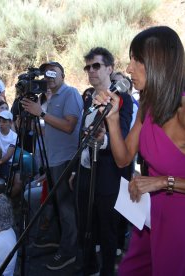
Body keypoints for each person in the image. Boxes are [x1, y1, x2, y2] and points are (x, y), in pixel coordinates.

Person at [93, 26, 185, 276]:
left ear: (158, 63)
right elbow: (122, 159)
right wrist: (112, 118)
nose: (129, 68)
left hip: (184, 220)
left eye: (137, 60)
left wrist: (164, 182)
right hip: (150, 214)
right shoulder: (147, 104)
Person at [21, 61, 83, 270]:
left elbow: (69, 126)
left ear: (62, 75)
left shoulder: (70, 93)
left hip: (66, 159)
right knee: (58, 204)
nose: (49, 76)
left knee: (66, 209)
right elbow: (51, 127)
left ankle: (69, 252)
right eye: (46, 73)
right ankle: (57, 239)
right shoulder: (48, 98)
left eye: (53, 72)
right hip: (52, 158)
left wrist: (41, 114)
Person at [77, 47, 133, 275]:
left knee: (108, 229)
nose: (91, 71)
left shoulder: (123, 99)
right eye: (88, 67)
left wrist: (105, 138)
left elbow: (124, 133)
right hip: (84, 171)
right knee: (85, 224)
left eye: (96, 66)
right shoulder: (88, 96)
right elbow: (82, 134)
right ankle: (89, 267)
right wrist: (74, 171)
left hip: (108, 173)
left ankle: (108, 270)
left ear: (110, 68)